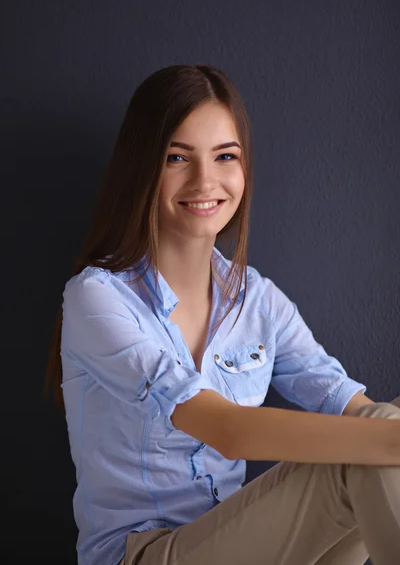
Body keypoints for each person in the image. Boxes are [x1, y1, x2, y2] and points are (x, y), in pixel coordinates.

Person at [46, 64, 400, 565]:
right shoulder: (97, 298)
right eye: (176, 157)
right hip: (142, 554)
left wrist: (386, 427)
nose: (205, 180)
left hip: (243, 543)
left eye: (225, 156)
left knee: (380, 428)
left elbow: (349, 404)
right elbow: (227, 431)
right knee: (370, 446)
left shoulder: (258, 301)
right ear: (141, 166)